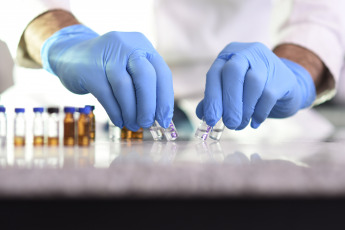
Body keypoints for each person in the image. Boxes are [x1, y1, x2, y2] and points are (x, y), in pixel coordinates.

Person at [0, 0, 344, 132]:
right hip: (67, 109)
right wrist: (64, 43)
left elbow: (322, 13)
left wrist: (297, 69)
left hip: (241, 110)